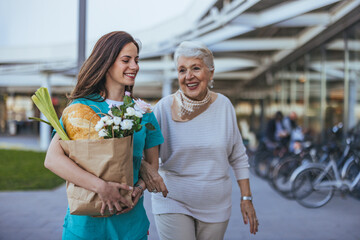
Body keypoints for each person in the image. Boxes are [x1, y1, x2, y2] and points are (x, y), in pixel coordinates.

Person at [44, 31, 164, 240]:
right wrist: (101, 187)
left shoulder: (144, 112)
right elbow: (53, 159)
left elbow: (152, 164)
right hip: (85, 226)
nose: (134, 66)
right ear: (107, 63)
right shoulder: (81, 108)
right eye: (126, 60)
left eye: (136, 60)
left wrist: (140, 188)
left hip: (130, 225)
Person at [152, 41, 259, 240]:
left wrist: (246, 198)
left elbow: (238, 156)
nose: (188, 76)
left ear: (210, 73)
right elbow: (144, 153)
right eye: (182, 70)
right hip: (173, 201)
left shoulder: (224, 106)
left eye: (195, 68)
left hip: (216, 206)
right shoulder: (164, 108)